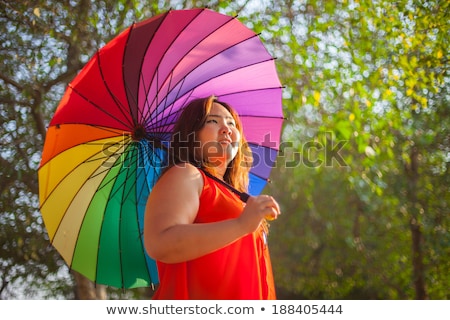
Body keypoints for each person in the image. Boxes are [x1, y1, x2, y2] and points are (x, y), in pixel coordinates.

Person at [143, 95, 281, 300]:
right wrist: (241, 225)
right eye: (213, 121)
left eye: (231, 123)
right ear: (192, 134)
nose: (226, 128)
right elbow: (161, 243)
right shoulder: (186, 174)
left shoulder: (236, 197)